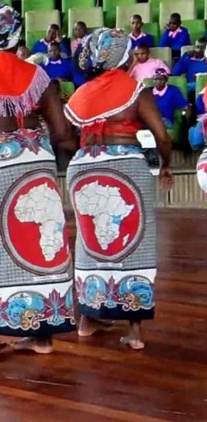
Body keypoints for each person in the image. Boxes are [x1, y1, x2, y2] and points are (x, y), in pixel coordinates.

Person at [0, 3, 77, 361]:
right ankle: (43, 336)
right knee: (39, 241)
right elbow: (59, 132)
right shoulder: (36, 75)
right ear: (17, 35)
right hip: (35, 164)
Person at [65, 28, 172, 350]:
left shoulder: (81, 93)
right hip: (125, 165)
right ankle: (135, 330)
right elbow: (162, 136)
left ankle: (88, 319)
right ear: (123, 57)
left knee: (91, 241)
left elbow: (69, 138)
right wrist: (165, 164)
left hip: (83, 166)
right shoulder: (136, 90)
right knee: (133, 241)